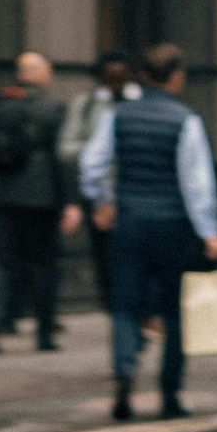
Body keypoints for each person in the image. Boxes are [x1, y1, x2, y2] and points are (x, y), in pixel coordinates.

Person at [79, 42, 217, 423]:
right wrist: (209, 231)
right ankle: (170, 393)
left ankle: (125, 376)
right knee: (176, 312)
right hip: (173, 225)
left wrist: (102, 201)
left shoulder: (119, 116)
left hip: (129, 222)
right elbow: (196, 184)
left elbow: (92, 164)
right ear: (176, 76)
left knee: (125, 306)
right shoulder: (185, 120)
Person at [0, 53, 79, 353]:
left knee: (0, 259)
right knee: (43, 262)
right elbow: (62, 158)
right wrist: (70, 201)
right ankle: (44, 332)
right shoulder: (52, 109)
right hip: (39, 197)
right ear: (41, 74)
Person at [58, 50, 139, 313]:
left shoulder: (141, 102)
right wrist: (98, 149)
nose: (116, 81)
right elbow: (68, 147)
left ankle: (133, 310)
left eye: (121, 76)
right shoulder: (88, 105)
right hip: (103, 198)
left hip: (139, 194)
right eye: (110, 77)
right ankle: (117, 310)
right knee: (107, 259)